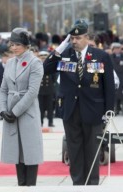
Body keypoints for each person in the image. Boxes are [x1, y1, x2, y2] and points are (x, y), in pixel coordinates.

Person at [43, 19, 115, 185]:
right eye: (72, 38)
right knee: (74, 151)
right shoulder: (64, 55)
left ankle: (92, 184)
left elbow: (109, 86)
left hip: (94, 111)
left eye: (78, 38)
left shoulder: (100, 56)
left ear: (87, 38)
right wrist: (59, 48)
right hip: (70, 110)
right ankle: (78, 184)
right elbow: (45, 69)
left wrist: (108, 111)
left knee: (92, 150)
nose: (74, 41)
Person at [0, 27, 44, 186]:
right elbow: (3, 89)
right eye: (12, 44)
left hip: (27, 112)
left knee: (30, 152)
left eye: (18, 44)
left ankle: (30, 185)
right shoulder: (10, 63)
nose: (14, 47)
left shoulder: (35, 62)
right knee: (16, 152)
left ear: (26, 44)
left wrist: (15, 112)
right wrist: (3, 109)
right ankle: (21, 185)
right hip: (10, 110)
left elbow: (32, 92)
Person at [37, 51, 57, 127]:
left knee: (50, 107)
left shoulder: (50, 66)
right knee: (40, 107)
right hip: (40, 90)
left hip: (49, 90)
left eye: (44, 58)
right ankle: (40, 122)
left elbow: (54, 78)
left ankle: (50, 122)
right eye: (41, 58)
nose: (43, 60)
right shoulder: (37, 66)